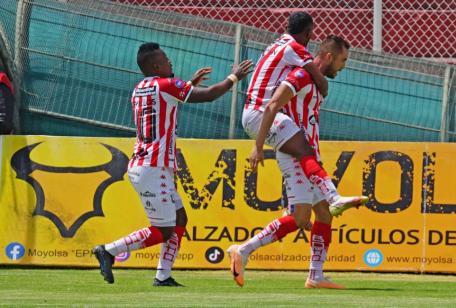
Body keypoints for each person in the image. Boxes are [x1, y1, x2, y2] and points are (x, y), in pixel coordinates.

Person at [92, 42, 253, 286]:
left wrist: (188, 86)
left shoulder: (139, 88)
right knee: (164, 230)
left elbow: (166, 101)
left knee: (179, 219)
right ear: (156, 65)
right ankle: (109, 250)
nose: (170, 63)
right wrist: (234, 77)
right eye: (166, 59)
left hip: (151, 165)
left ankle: (163, 275)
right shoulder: (166, 85)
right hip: (152, 166)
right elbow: (208, 96)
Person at [229, 35, 353, 289]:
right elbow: (273, 105)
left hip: (307, 153)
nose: (344, 65)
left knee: (322, 216)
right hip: (296, 153)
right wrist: (259, 144)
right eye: (343, 60)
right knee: (300, 217)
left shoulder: (316, 80)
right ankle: (243, 250)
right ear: (329, 56)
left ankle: (316, 275)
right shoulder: (299, 76)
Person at [242, 11, 366, 216]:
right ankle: (333, 197)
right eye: (343, 60)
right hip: (262, 113)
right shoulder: (295, 49)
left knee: (307, 210)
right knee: (305, 151)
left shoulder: (276, 44)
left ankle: (295, 206)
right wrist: (258, 147)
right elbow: (318, 76)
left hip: (258, 113)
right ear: (308, 32)